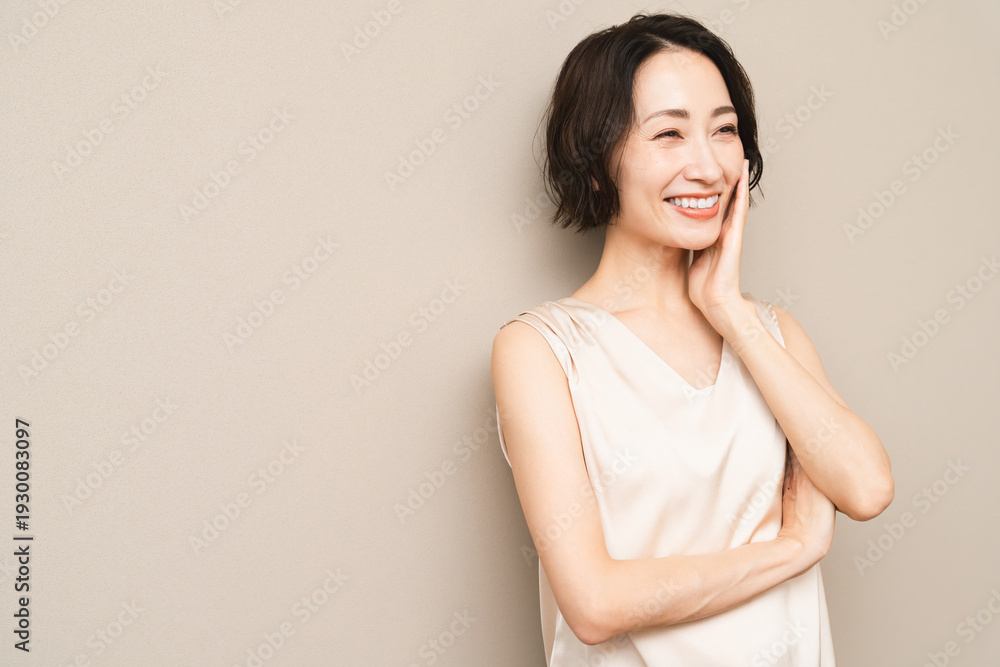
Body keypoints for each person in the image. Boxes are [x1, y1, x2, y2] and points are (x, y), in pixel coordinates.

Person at [490, 12, 894, 666]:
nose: (707, 166)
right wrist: (793, 548)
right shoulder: (541, 350)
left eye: (725, 130)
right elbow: (593, 603)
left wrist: (730, 311)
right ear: (596, 164)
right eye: (669, 133)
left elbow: (867, 488)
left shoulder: (771, 333)